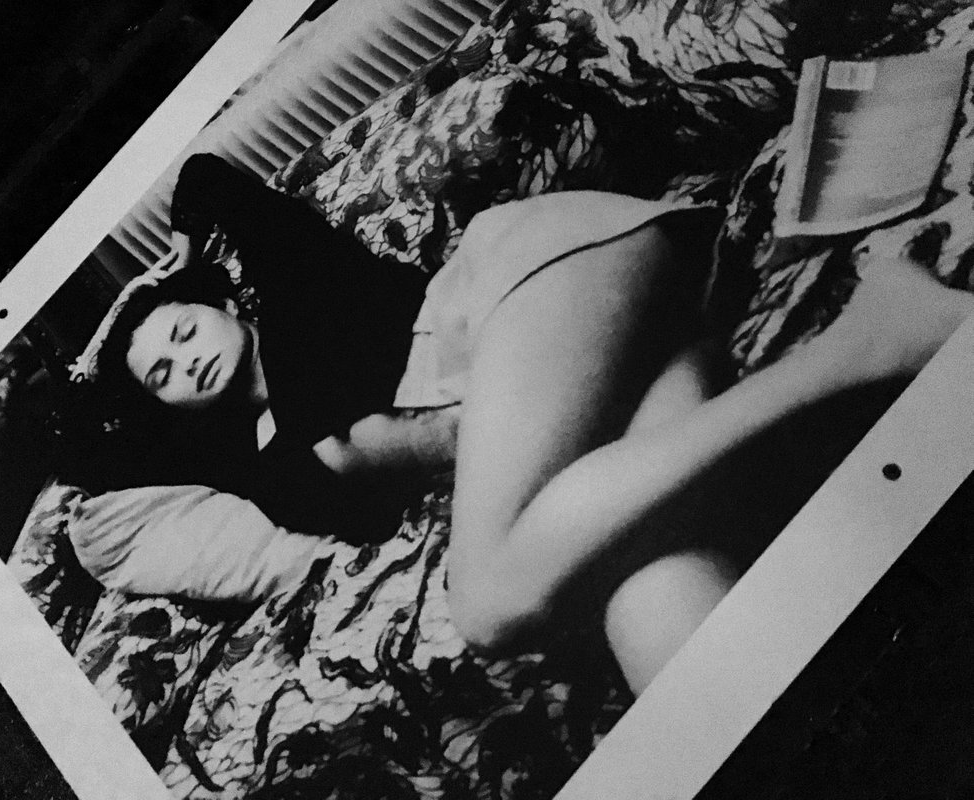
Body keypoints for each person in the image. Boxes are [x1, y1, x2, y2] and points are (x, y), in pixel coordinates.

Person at [64, 152, 974, 695]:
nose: (185, 359)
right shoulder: (272, 475)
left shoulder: (295, 287)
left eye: (181, 329)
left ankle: (865, 342)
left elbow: (207, 179)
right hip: (599, 378)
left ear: (219, 301)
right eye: (163, 377)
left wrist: (172, 260)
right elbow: (94, 453)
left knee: (490, 602)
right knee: (656, 603)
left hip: (545, 274)